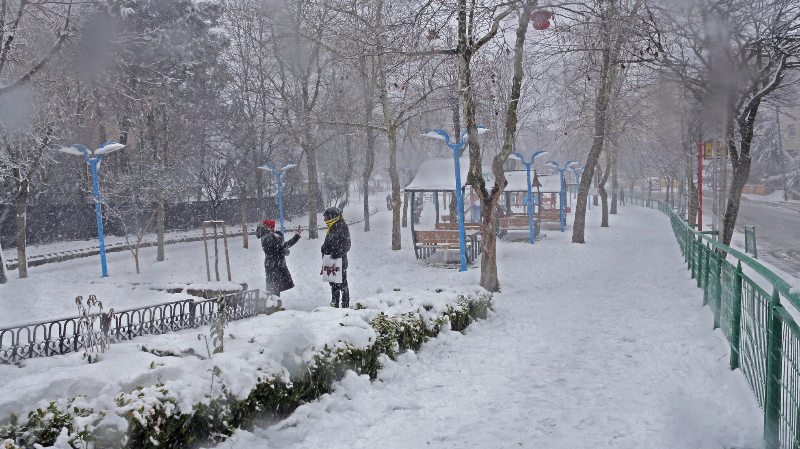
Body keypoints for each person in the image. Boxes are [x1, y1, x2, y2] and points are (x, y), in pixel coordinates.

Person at [256, 220, 301, 298]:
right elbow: (274, 251)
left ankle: (275, 305)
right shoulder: (268, 236)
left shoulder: (269, 235)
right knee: (274, 287)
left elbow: (282, 246)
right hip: (274, 264)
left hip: (274, 264)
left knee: (275, 286)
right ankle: (274, 306)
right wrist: (283, 251)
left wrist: (296, 237)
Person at [321, 207, 351, 308]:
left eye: (326, 217)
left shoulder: (341, 227)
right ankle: (335, 303)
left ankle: (344, 304)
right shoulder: (332, 226)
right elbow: (330, 242)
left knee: (341, 283)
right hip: (331, 261)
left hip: (339, 261)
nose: (325, 220)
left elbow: (346, 245)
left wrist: (335, 253)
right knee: (333, 284)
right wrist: (324, 249)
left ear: (332, 217)